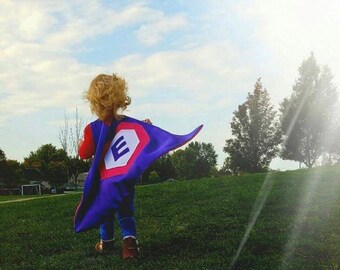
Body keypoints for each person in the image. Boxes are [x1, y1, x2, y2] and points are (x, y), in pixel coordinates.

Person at [78, 73, 151, 260]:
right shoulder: (126, 123)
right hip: (124, 179)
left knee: (105, 211)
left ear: (93, 101)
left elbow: (84, 153)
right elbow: (140, 139)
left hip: (104, 182)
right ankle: (130, 246)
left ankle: (107, 243)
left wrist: (82, 142)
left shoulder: (92, 128)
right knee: (126, 211)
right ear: (120, 97)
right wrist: (146, 126)